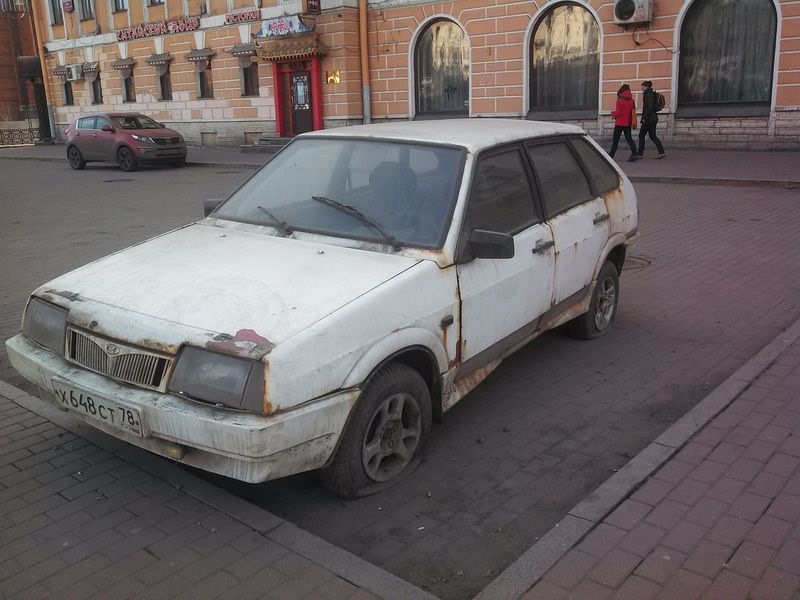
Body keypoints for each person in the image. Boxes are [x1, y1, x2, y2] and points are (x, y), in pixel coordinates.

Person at [608, 84, 639, 162]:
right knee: (629, 139)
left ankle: (610, 156)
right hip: (628, 123)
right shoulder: (631, 101)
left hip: (619, 123)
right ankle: (634, 153)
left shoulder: (619, 100)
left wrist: (612, 113)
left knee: (615, 141)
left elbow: (618, 113)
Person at [638, 80, 665, 159]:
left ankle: (640, 154)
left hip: (649, 119)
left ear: (646, 86)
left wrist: (644, 118)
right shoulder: (650, 93)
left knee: (641, 135)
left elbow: (649, 107)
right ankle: (661, 152)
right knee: (652, 136)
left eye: (642, 87)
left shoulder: (648, 94)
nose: (642, 88)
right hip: (653, 118)